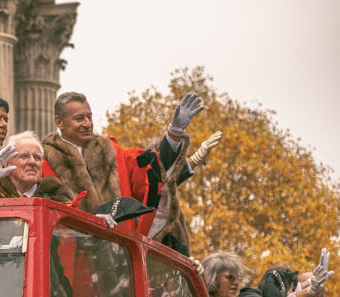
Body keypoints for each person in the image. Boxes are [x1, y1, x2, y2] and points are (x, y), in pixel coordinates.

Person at [41, 91, 222, 245]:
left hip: (120, 258)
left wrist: (174, 134)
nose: (87, 123)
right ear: (59, 122)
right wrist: (89, 221)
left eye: (89, 117)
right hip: (71, 263)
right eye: (79, 118)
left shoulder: (114, 152)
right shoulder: (42, 163)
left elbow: (152, 169)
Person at [0, 131, 75, 201]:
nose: (32, 162)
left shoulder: (59, 196)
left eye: (37, 157)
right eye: (24, 156)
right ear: (7, 164)